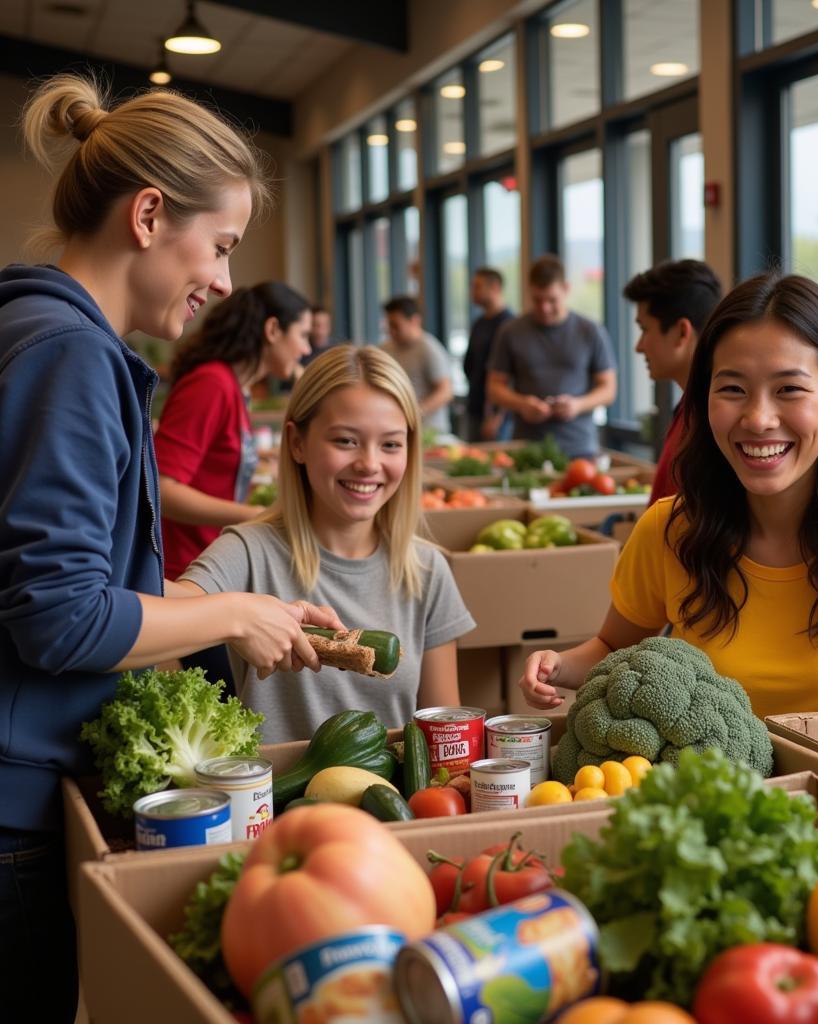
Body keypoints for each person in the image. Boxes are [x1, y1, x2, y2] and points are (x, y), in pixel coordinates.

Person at [0, 74, 341, 1023]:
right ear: (149, 214)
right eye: (222, 246)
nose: (227, 281)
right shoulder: (68, 354)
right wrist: (231, 611)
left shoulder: (32, 330)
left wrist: (240, 611)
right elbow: (59, 617)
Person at [519, 273, 818, 720]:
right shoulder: (669, 529)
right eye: (733, 389)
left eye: (789, 389)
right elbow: (611, 649)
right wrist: (557, 666)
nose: (759, 418)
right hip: (706, 799)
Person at [178, 344, 476, 742]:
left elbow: (444, 737)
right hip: (275, 803)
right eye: (346, 441)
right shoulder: (249, 551)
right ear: (297, 443)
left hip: (392, 800)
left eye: (390, 444)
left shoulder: (427, 570)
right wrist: (239, 617)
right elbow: (155, 609)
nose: (369, 464)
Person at [156, 282, 313, 689]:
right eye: (303, 335)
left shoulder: (232, 387)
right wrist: (254, 516)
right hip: (188, 577)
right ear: (273, 329)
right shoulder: (211, 383)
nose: (306, 349)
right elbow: (163, 487)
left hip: (211, 571)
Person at [488, 254, 617, 459]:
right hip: (527, 448)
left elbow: (608, 389)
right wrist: (522, 404)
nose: (544, 308)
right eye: (537, 300)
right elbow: (495, 387)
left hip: (580, 448)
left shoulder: (590, 331)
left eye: (552, 300)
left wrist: (577, 405)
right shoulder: (511, 331)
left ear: (566, 289)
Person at [623, 259, 723, 503]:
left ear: (681, 331)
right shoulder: (690, 407)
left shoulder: (712, 422)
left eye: (645, 329)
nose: (639, 346)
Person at [381, 294, 453, 433]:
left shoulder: (429, 349)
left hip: (430, 431)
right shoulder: (386, 348)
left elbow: (445, 391)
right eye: (389, 325)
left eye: (396, 325)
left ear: (414, 321)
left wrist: (416, 412)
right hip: (399, 428)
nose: (391, 331)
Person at [464, 266, 513, 441]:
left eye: (477, 286)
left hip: (497, 416)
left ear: (495, 288)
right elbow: (469, 365)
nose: (472, 291)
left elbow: (512, 375)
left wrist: (498, 416)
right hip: (475, 407)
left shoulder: (509, 325)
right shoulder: (479, 323)